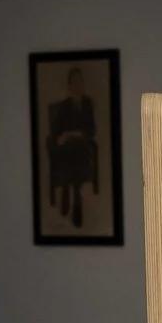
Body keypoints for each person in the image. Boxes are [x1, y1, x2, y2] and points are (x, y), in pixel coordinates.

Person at [46, 66, 99, 229]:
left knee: (77, 149)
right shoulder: (64, 107)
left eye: (79, 82)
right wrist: (66, 136)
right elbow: (57, 132)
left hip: (82, 147)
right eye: (74, 82)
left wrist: (75, 134)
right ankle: (73, 198)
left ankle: (72, 198)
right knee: (68, 149)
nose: (77, 85)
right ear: (69, 86)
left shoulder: (88, 104)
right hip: (67, 150)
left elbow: (91, 131)